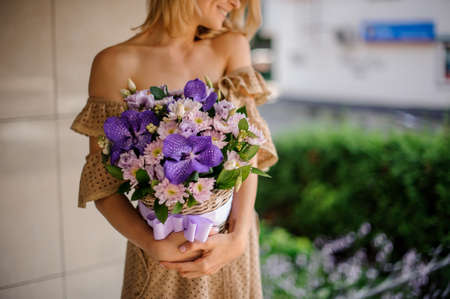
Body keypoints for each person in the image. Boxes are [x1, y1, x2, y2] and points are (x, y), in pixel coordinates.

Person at [70, 0, 278, 298]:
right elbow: (103, 183)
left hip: (231, 249)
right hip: (162, 257)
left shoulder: (232, 46)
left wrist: (239, 238)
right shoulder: (114, 63)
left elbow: (248, 152)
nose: (236, 4)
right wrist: (152, 244)